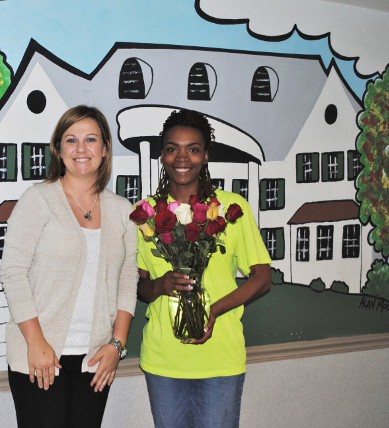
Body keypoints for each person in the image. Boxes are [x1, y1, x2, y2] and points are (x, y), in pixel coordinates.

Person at [0, 105, 138, 428]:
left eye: (91, 139)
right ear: (58, 150)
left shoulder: (122, 210)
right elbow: (13, 272)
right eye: (71, 140)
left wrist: (117, 345)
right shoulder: (38, 200)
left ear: (105, 150)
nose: (81, 149)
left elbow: (128, 277)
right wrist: (36, 343)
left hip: (95, 359)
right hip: (40, 357)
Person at [136, 109, 272, 428]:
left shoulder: (230, 210)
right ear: (162, 155)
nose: (182, 157)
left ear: (206, 156)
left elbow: (262, 279)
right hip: (163, 360)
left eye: (193, 149)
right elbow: (139, 286)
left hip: (220, 360)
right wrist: (161, 286)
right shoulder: (145, 214)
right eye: (172, 148)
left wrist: (213, 310)